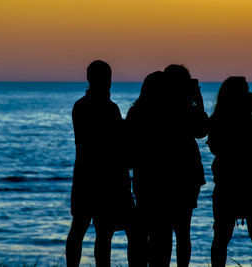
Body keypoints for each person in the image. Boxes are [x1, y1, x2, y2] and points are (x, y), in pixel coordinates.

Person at [126, 65, 208, 266]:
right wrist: (197, 101)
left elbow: (129, 149)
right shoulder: (181, 110)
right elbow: (202, 130)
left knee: (156, 233)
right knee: (180, 232)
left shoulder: (138, 111)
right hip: (183, 178)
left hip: (149, 179)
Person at [66, 60, 135, 267]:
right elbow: (115, 142)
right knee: (103, 231)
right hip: (105, 177)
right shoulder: (109, 108)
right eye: (107, 79)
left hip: (83, 174)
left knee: (79, 227)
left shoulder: (79, 106)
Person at [207, 77, 252, 267]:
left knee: (222, 236)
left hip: (228, 184)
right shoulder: (251, 120)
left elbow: (214, 147)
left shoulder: (218, 120)